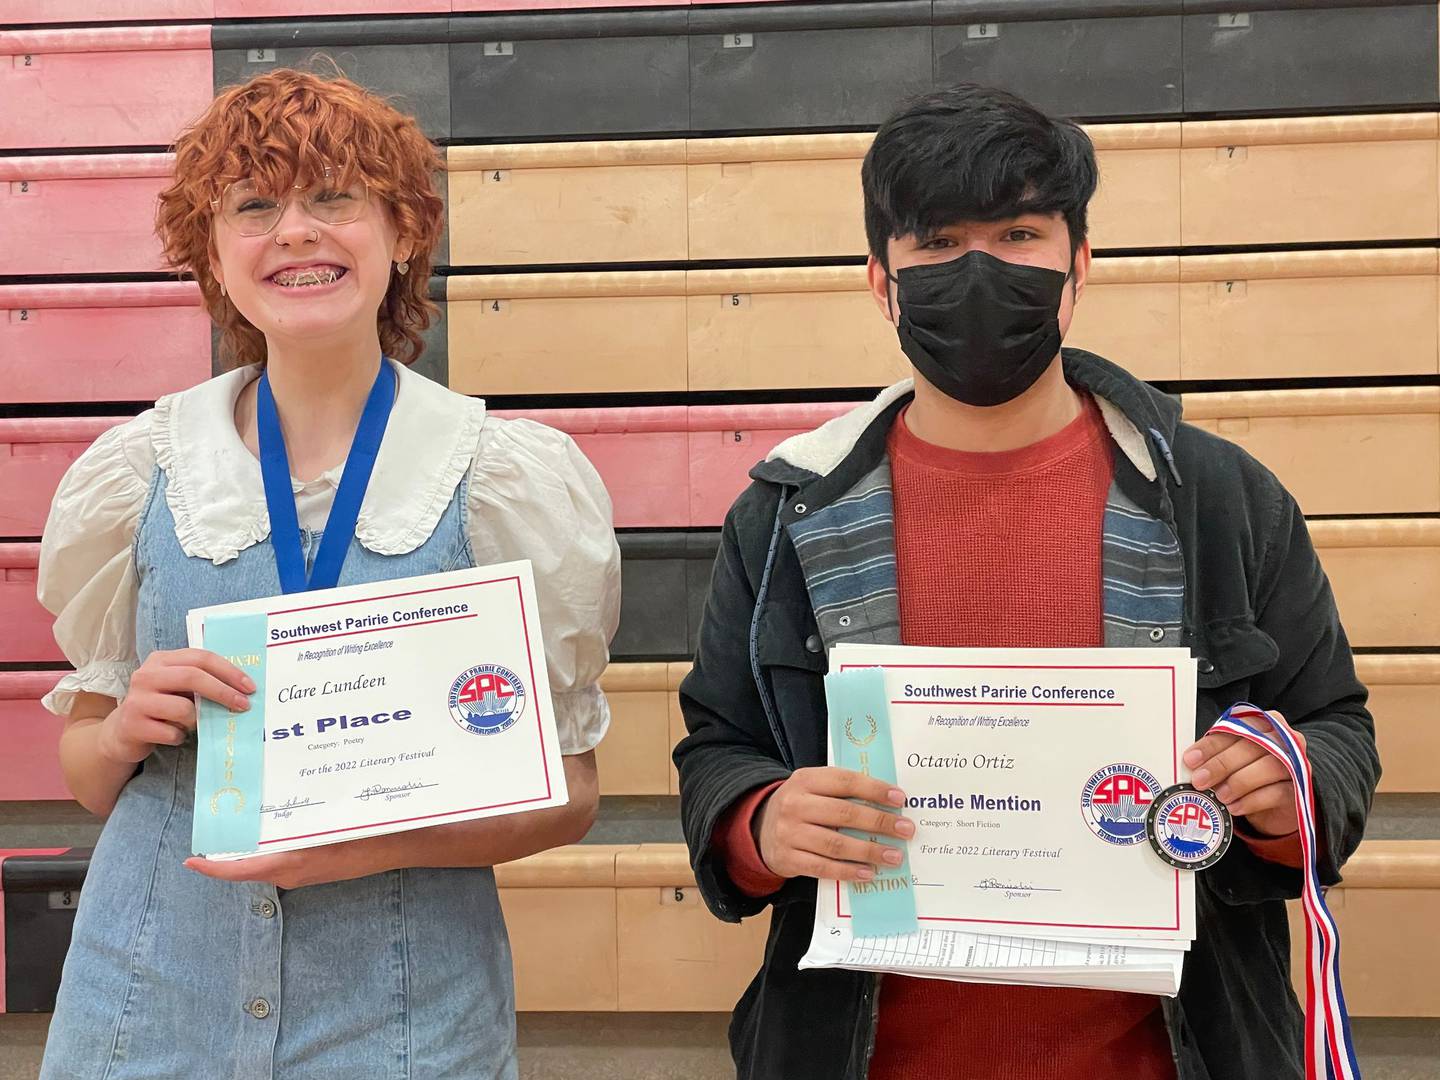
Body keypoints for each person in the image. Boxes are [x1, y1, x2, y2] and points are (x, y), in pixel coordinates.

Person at [673, 84, 1379, 1080]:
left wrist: (1281, 788)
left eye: (1016, 234)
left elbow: (1337, 730)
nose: (977, 272)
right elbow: (719, 745)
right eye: (934, 243)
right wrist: (762, 823)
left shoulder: (1222, 499)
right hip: (860, 1052)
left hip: (1173, 1052)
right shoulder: (786, 514)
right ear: (880, 279)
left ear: (1079, 264)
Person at [36, 69, 620, 1080]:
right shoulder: (135, 475)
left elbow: (568, 796)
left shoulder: (501, 476)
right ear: (214, 256)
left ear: (401, 235)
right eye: (255, 207)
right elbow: (89, 776)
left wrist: (355, 850)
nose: (296, 230)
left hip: (403, 1019)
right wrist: (122, 723)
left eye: (335, 198)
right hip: (148, 1005)